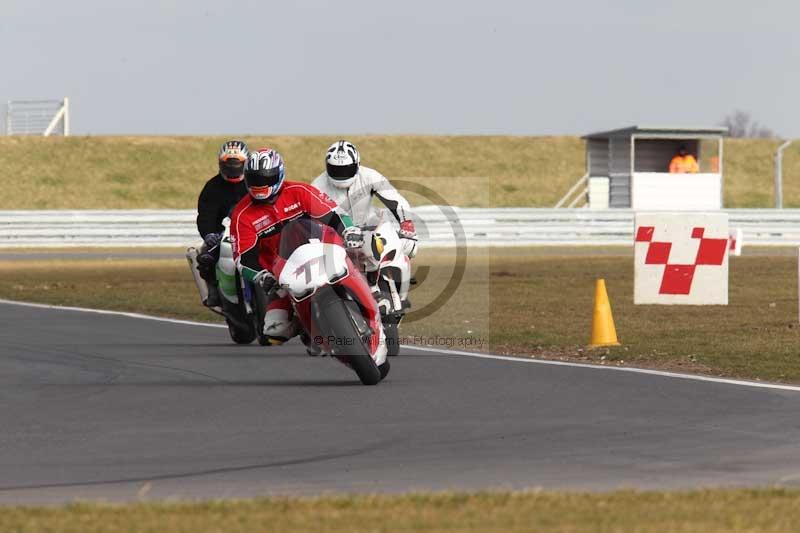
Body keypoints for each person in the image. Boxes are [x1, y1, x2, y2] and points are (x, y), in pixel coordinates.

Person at [230, 147, 366, 346]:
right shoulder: (242, 215)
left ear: (279, 174)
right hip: (283, 272)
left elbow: (334, 214)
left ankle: (372, 294)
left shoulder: (299, 192)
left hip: (322, 250)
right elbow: (243, 257)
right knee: (273, 333)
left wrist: (349, 230)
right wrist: (261, 277)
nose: (261, 184)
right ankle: (304, 325)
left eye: (267, 178)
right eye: (256, 179)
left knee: (364, 251)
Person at [311, 140, 418, 258]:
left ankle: (395, 272)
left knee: (410, 245)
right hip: (337, 235)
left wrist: (406, 221)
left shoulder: (370, 176)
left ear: (357, 164)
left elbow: (394, 197)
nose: (342, 175)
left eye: (347, 169)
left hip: (370, 228)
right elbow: (315, 218)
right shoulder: (317, 186)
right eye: (336, 170)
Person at [194, 140, 250, 307]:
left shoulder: (254, 182)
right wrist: (209, 234)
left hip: (252, 230)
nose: (233, 168)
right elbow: (205, 215)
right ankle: (213, 290)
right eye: (229, 164)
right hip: (222, 234)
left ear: (245, 163)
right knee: (205, 258)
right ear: (221, 164)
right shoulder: (212, 187)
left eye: (237, 164)